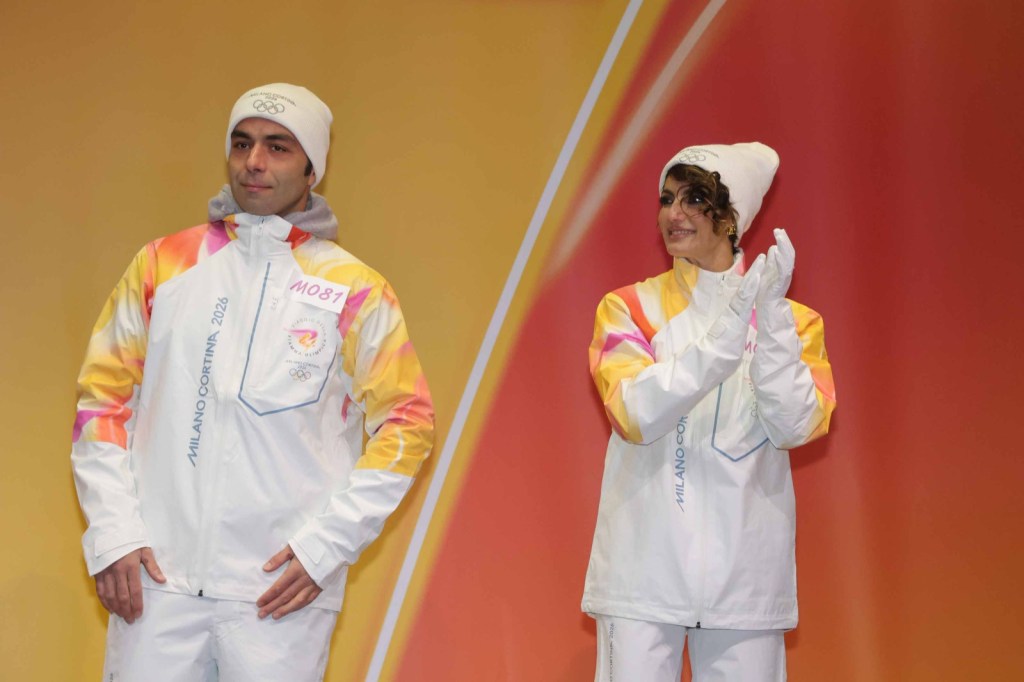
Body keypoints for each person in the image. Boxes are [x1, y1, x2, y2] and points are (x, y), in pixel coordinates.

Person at [70, 83, 434, 681]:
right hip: (157, 583)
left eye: (277, 147)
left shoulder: (355, 288)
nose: (254, 163)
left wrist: (326, 549)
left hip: (278, 594)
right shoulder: (165, 264)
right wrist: (113, 531)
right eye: (242, 144)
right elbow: (101, 401)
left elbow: (409, 421)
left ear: (312, 167)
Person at [582, 142, 836, 681]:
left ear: (731, 216)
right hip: (642, 582)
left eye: (694, 198)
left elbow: (798, 425)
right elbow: (632, 412)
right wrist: (722, 341)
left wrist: (769, 326)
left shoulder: (795, 321)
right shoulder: (627, 307)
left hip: (745, 586)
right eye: (667, 198)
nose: (673, 213)